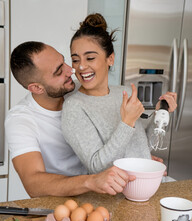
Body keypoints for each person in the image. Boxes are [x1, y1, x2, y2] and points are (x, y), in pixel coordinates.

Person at [5, 41, 136, 198]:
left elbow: (106, 134)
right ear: (37, 88)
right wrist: (91, 181)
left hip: (101, 193)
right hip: (59, 202)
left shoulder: (77, 92)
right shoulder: (20, 121)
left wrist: (135, 153)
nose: (71, 71)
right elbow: (33, 182)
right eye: (59, 72)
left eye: (64, 62)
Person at [61, 13, 177, 174]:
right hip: (114, 196)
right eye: (75, 60)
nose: (81, 67)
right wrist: (127, 122)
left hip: (146, 185)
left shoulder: (125, 93)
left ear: (110, 59)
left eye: (90, 58)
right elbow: (96, 165)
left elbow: (142, 146)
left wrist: (160, 114)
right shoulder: (74, 107)